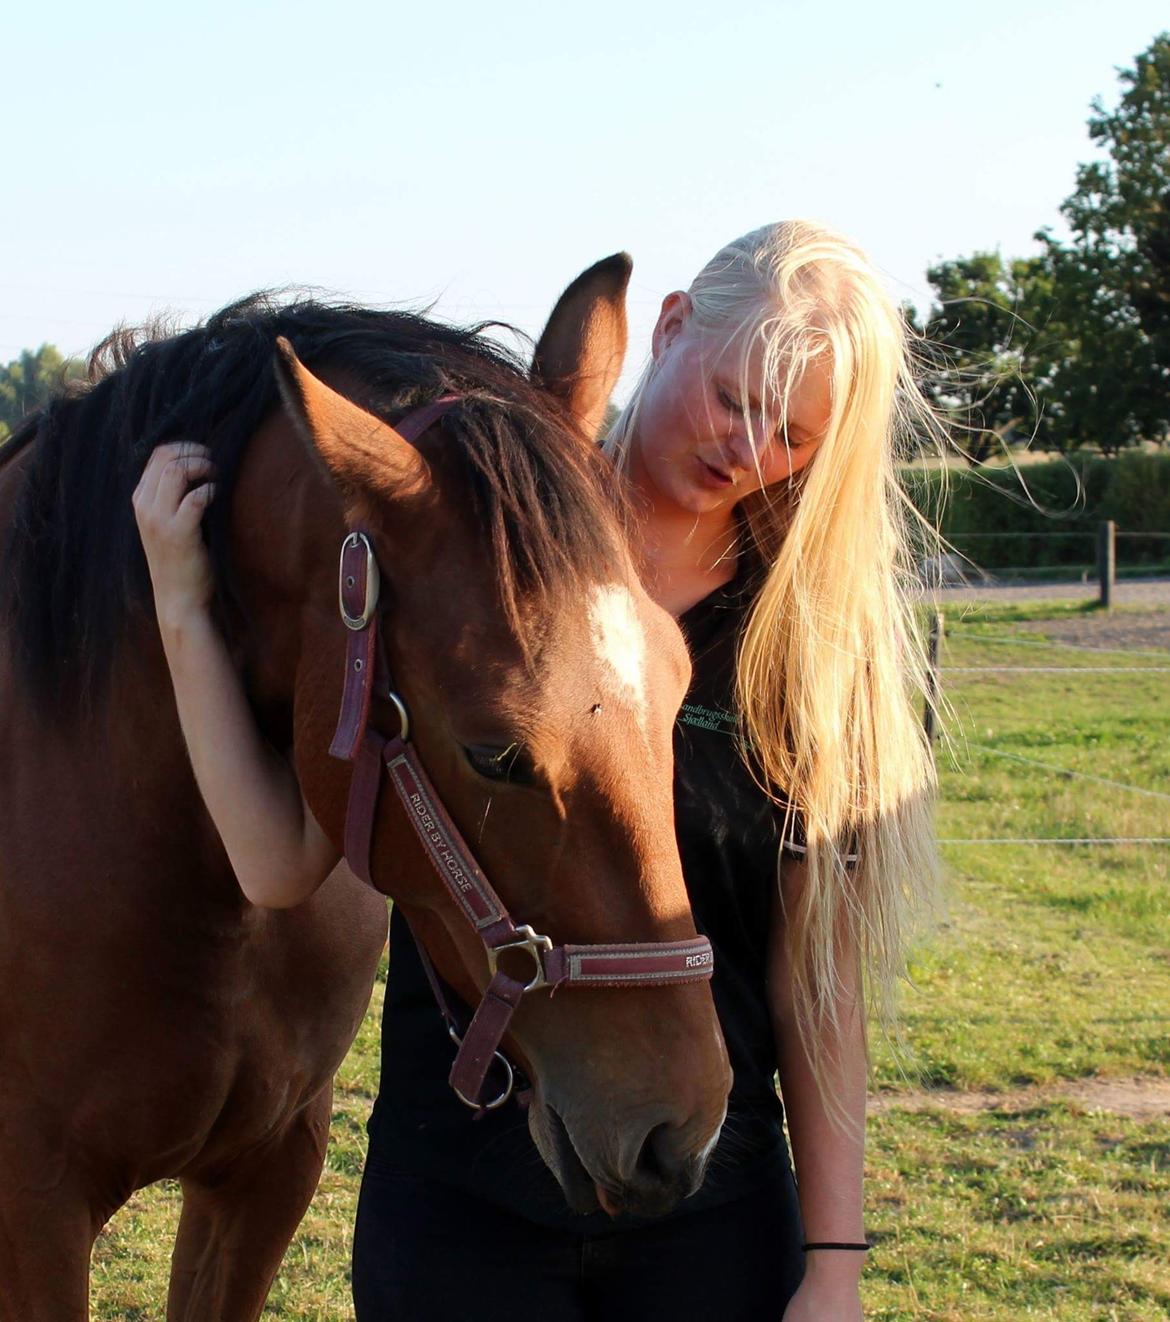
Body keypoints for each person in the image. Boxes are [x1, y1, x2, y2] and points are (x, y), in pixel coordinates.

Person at [134, 220, 940, 1322]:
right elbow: (280, 863)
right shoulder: (470, 566)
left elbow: (820, 982)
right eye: (733, 397)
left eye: (792, 434)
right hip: (457, 1204)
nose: (747, 447)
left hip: (711, 1205)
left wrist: (836, 1262)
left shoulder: (801, 642)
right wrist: (182, 607)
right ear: (666, 328)